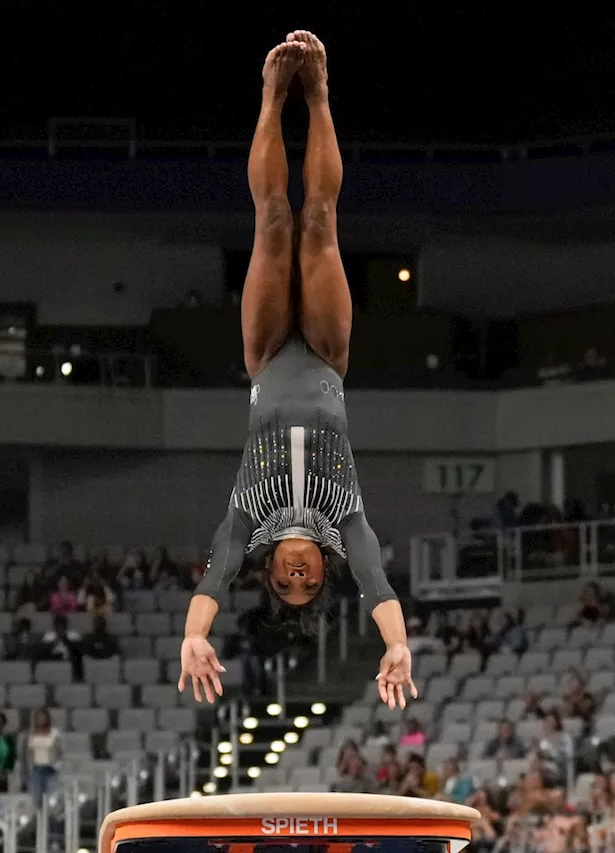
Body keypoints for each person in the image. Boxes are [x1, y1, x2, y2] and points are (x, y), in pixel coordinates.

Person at [179, 31, 414, 711]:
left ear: (274, 571)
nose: (301, 573)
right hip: (326, 356)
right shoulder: (347, 520)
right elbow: (379, 587)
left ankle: (271, 96)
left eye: (290, 581)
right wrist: (397, 645)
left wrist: (195, 635)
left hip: (267, 354)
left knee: (272, 221)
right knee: (319, 220)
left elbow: (212, 582)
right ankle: (318, 95)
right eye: (310, 580)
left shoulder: (245, 519)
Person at [26, 710, 62, 808]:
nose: (41, 720)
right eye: (39, 718)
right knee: (37, 799)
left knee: (50, 799)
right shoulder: (31, 733)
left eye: (43, 717)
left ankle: (50, 819)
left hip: (50, 769)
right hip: (37, 769)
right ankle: (38, 820)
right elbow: (30, 752)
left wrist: (56, 764)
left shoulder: (54, 733)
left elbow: (59, 751)